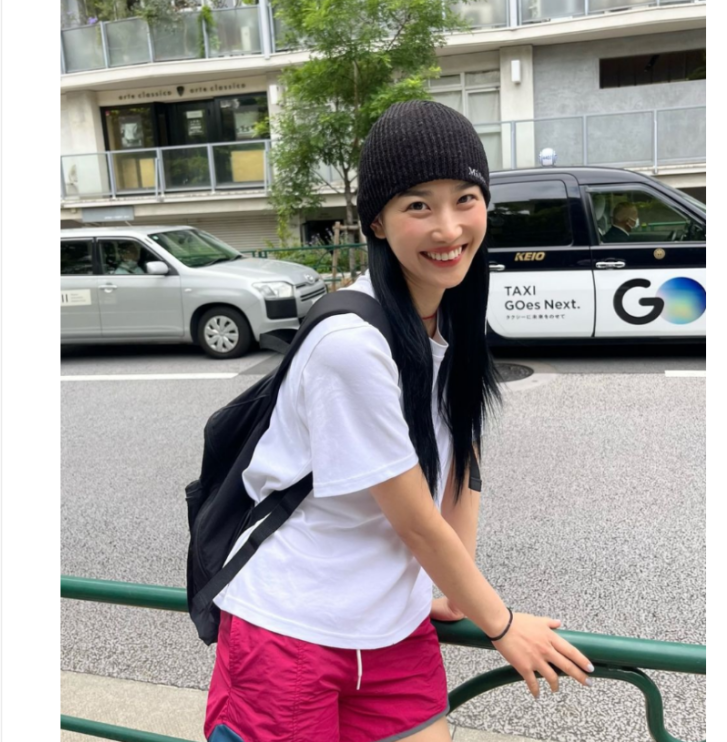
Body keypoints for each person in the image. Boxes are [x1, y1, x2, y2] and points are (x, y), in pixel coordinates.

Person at [204, 101, 594, 742]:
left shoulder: (454, 317)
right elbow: (413, 517)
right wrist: (499, 623)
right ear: (377, 223)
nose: (448, 227)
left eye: (466, 199)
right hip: (289, 628)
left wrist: (457, 594)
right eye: (418, 205)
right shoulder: (350, 343)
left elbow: (461, 462)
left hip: (393, 629)